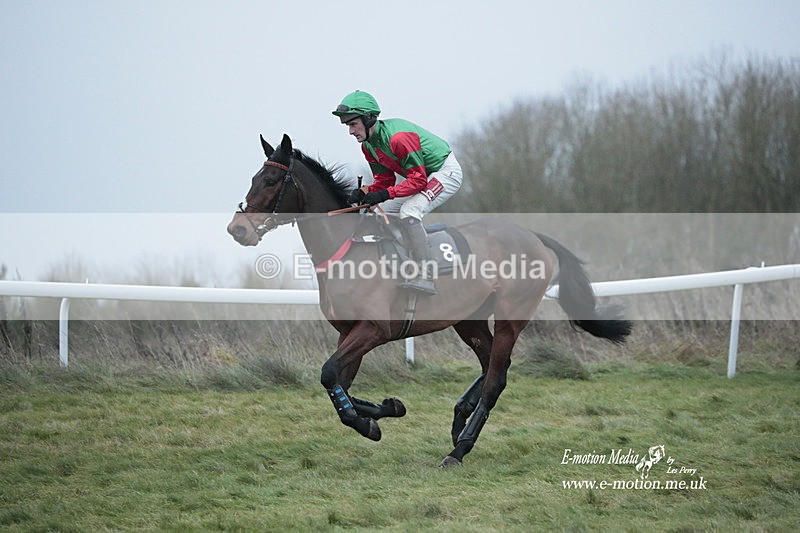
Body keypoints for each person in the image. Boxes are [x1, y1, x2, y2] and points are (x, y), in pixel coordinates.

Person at [332, 90, 463, 295]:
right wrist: (364, 191)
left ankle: (426, 274)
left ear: (368, 118)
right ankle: (404, 262)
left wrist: (385, 194)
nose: (350, 131)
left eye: (353, 124)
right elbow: (385, 181)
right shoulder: (368, 146)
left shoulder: (398, 138)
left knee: (410, 211)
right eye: (347, 126)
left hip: (445, 172)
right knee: (380, 212)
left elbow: (418, 180)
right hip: (422, 177)